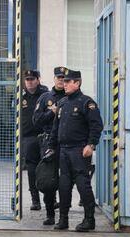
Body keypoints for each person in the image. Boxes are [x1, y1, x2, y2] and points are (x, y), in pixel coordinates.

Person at [47, 69, 103, 232]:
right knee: (63, 186)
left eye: (67, 82)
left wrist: (91, 145)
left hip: (79, 150)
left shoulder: (86, 102)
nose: (64, 84)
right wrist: (51, 147)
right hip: (63, 150)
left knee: (83, 185)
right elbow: (55, 128)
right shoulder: (63, 103)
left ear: (77, 83)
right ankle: (63, 220)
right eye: (63, 81)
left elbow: (96, 125)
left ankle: (89, 220)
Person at [32, 66, 67, 225]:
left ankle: (63, 217)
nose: (61, 80)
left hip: (67, 143)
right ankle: (50, 214)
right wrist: (51, 112)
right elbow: (36, 121)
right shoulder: (46, 97)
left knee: (67, 179)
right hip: (48, 143)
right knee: (48, 179)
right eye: (59, 77)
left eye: (64, 78)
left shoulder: (72, 97)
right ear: (54, 79)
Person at [21, 70, 48, 211]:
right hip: (29, 137)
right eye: (27, 79)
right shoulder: (21, 95)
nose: (29, 82)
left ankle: (50, 199)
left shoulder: (45, 95)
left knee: (48, 168)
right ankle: (35, 200)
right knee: (31, 169)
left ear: (38, 79)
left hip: (44, 136)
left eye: (32, 79)